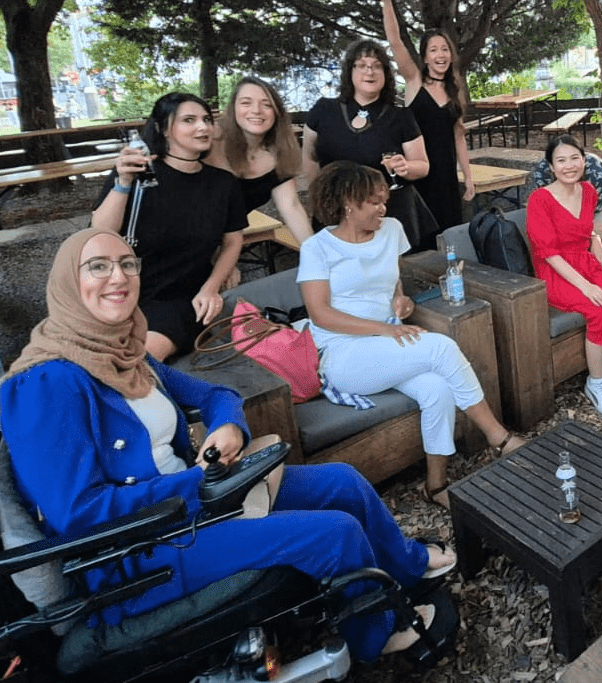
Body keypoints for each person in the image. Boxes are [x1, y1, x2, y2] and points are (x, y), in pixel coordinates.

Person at [0, 227, 458, 663]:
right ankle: (375, 636)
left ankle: (406, 567)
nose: (118, 277)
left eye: (126, 264)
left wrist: (229, 428)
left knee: (342, 481)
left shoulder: (125, 355)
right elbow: (77, 513)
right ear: (66, 284)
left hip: (194, 505)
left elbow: (215, 395)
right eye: (97, 267)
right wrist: (195, 484)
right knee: (334, 533)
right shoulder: (46, 383)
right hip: (139, 552)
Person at [297, 161, 524, 509]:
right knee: (441, 348)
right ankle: (498, 436)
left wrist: (399, 300)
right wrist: (385, 328)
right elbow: (320, 314)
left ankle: (435, 486)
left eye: (384, 200)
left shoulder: (390, 229)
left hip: (386, 344)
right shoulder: (318, 248)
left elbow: (391, 279)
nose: (382, 208)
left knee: (436, 388)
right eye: (373, 202)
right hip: (344, 356)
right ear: (348, 203)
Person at [92, 92, 247, 362]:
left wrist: (211, 287)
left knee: (137, 361)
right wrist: (123, 181)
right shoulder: (138, 172)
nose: (202, 127)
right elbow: (99, 233)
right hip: (124, 289)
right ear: (164, 129)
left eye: (206, 120)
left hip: (182, 299)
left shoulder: (223, 184)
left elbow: (233, 241)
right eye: (189, 120)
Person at [526, 135, 602, 418]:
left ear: (584, 160)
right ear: (552, 167)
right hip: (556, 272)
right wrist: (587, 286)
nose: (569, 166)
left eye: (574, 158)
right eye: (561, 161)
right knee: (600, 308)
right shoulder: (539, 199)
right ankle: (597, 382)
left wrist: (595, 239)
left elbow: (584, 226)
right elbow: (549, 253)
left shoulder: (588, 191)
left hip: (585, 263)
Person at [303, 39, 438, 251]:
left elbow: (422, 166)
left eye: (377, 66)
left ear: (386, 74)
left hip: (388, 214)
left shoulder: (400, 116)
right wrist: (320, 197)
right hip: (337, 213)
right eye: (363, 65)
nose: (370, 72)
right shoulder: (323, 110)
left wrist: (406, 167)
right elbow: (310, 158)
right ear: (350, 70)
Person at [382, 0, 475, 230]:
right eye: (433, 50)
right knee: (424, 237)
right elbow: (395, 42)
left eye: (445, 49)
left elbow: (459, 137)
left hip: (447, 178)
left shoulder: (455, 90)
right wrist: (386, 4)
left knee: (450, 233)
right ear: (424, 58)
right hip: (418, 175)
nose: (440, 55)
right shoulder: (414, 82)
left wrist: (468, 176)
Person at [207, 75, 314, 245]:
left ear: (277, 112)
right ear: (232, 108)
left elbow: (291, 206)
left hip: (220, 247)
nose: (256, 110)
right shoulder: (209, 143)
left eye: (267, 105)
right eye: (246, 103)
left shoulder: (278, 153)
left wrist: (315, 254)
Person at [530, 150, 602, 231]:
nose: (568, 166)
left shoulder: (595, 168)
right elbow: (544, 202)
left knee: (596, 231)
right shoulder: (542, 170)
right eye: (561, 160)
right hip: (563, 208)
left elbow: (593, 207)